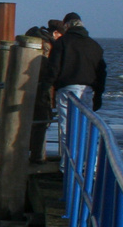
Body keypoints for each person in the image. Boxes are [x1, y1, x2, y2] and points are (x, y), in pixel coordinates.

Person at [42, 12, 106, 165]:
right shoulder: (95, 46)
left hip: (67, 90)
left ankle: (68, 164)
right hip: (88, 91)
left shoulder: (62, 43)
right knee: (86, 128)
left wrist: (45, 88)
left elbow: (54, 69)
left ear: (67, 25)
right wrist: (98, 96)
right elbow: (101, 73)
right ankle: (90, 164)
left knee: (67, 128)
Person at [26, 25, 57, 164]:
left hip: (34, 89)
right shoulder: (45, 47)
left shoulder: (41, 42)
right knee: (41, 122)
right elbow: (45, 66)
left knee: (38, 123)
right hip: (39, 91)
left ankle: (33, 153)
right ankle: (36, 156)